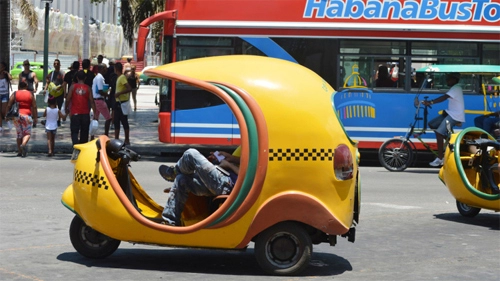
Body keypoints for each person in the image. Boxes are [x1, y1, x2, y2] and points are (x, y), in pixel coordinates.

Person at [159, 147, 241, 226]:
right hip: (223, 179)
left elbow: (248, 175)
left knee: (191, 153)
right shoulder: (251, 152)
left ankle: (174, 172)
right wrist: (230, 158)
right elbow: (246, 163)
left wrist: (229, 165)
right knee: (181, 179)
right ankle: (170, 221)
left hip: (227, 183)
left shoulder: (253, 151)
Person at [422, 72, 464, 167]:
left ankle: (440, 159)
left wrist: (430, 102)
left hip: (454, 116)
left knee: (439, 133)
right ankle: (450, 141)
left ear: (454, 80)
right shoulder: (454, 88)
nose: (447, 81)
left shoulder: (456, 88)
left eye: (449, 79)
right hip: (449, 114)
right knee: (432, 124)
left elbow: (444, 97)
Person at [65, 70, 98, 145]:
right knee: (84, 132)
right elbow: (92, 101)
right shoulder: (88, 88)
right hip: (85, 113)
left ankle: (75, 145)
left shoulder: (72, 87)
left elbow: (68, 99)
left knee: (74, 132)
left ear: (77, 77)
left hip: (75, 113)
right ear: (85, 78)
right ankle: (83, 148)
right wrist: (95, 113)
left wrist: (66, 108)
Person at [6, 81, 37, 157]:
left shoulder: (15, 94)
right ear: (26, 86)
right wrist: (35, 117)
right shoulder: (30, 94)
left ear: (19, 86)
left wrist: (6, 115)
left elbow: (9, 104)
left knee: (19, 134)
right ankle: (23, 145)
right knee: (27, 133)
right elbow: (34, 106)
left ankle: (20, 152)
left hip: (16, 116)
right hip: (27, 115)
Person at [91, 63, 112, 139]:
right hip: (99, 100)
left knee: (95, 119)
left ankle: (92, 136)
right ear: (101, 69)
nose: (106, 70)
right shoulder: (100, 78)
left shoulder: (97, 77)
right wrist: (108, 95)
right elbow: (100, 91)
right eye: (105, 68)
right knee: (108, 118)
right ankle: (106, 135)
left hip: (95, 100)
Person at [113, 62, 132, 145]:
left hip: (122, 103)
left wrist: (119, 93)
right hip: (118, 102)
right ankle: (116, 139)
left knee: (124, 121)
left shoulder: (122, 77)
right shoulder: (119, 78)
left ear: (116, 69)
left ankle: (127, 139)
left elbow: (129, 88)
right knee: (116, 121)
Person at [45, 59, 65, 126]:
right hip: (52, 93)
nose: (56, 65)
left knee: (59, 106)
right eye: (55, 63)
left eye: (57, 63)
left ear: (60, 65)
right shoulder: (51, 73)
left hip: (59, 93)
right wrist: (45, 89)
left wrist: (64, 92)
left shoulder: (62, 73)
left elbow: (64, 83)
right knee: (51, 106)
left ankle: (59, 120)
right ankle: (49, 119)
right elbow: (48, 82)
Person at [105, 59, 117, 129]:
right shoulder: (115, 73)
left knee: (107, 108)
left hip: (107, 91)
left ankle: (108, 121)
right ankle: (113, 123)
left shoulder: (106, 71)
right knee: (114, 109)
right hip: (114, 92)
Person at [0, 61, 13, 132]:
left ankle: (7, 121)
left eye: (1, 66)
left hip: (5, 94)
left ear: (4, 67)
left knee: (3, 111)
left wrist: (7, 73)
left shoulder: (5, 75)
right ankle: (0, 126)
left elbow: (11, 78)